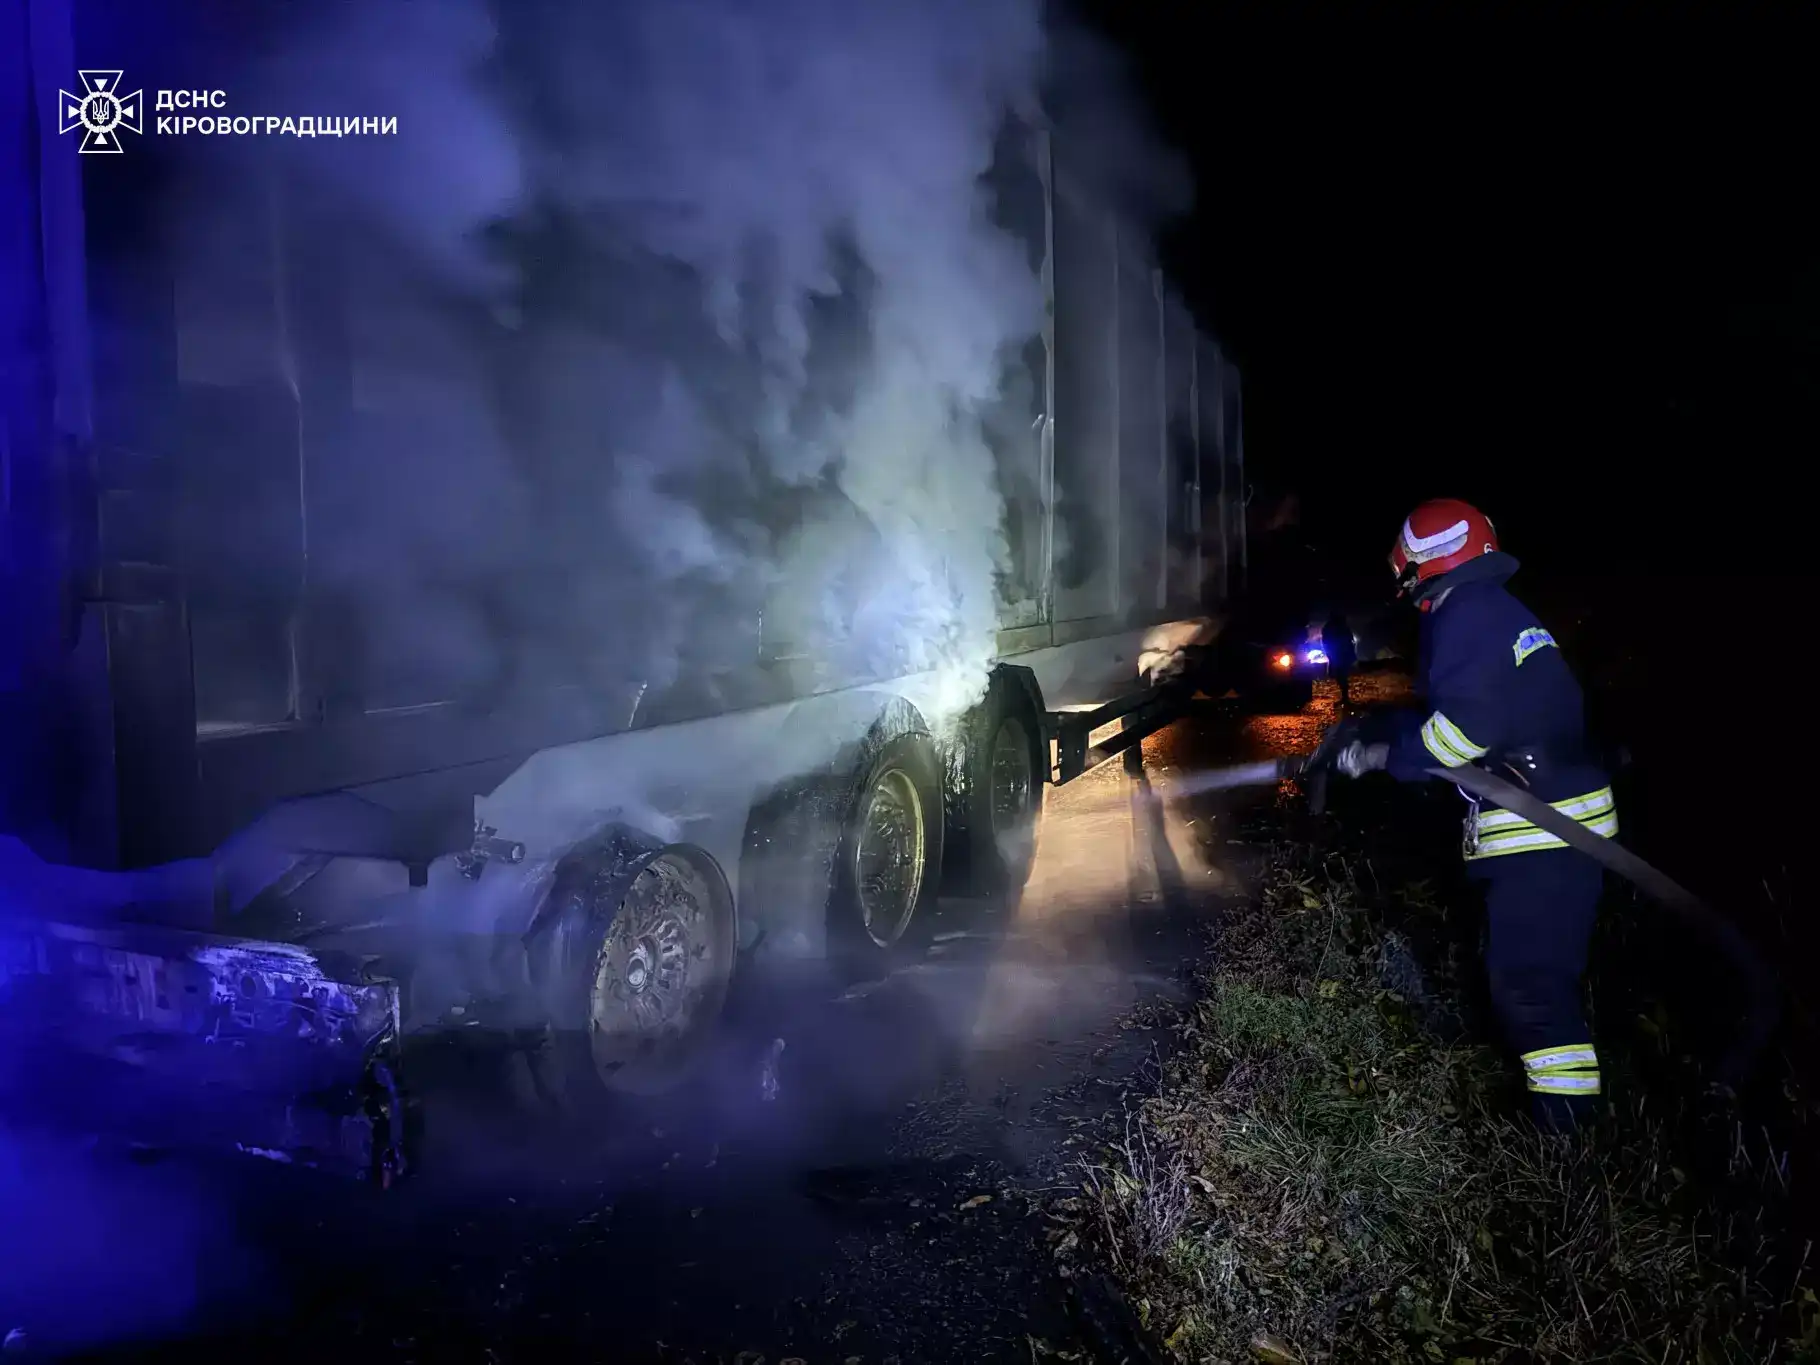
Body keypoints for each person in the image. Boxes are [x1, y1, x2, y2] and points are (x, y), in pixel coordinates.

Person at [1332, 499, 1614, 1131]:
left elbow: (1464, 731)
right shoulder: (1497, 610)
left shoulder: (1463, 615)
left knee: (1532, 992)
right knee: (1534, 983)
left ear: (1419, 564)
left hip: (1543, 832)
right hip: (1562, 822)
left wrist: (1385, 756)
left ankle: (1564, 1149)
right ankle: (1565, 1134)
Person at [1321, 606, 1357, 707]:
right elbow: (1350, 641)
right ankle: (1345, 698)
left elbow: (1326, 642)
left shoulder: (1332, 627)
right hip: (1339, 655)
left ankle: (1345, 698)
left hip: (1339, 655)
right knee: (1340, 676)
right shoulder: (1339, 626)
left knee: (1341, 676)